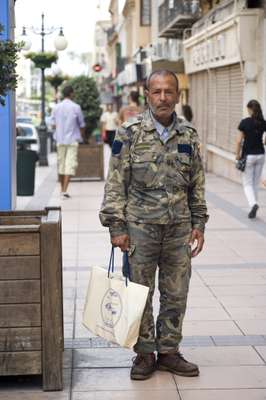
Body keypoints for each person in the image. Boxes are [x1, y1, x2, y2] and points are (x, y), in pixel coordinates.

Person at [99, 69, 208, 380]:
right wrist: (116, 226)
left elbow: (196, 184)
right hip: (139, 230)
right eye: (157, 91)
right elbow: (115, 184)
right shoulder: (128, 133)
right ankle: (145, 353)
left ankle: (170, 351)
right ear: (147, 95)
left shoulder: (188, 135)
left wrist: (199, 222)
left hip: (178, 231)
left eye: (168, 92)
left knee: (176, 293)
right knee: (140, 293)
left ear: (177, 96)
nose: (163, 97)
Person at [52, 85, 85, 199]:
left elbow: (52, 123)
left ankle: (62, 190)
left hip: (60, 139)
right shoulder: (76, 107)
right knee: (69, 164)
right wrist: (81, 135)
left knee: (61, 164)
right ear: (71, 94)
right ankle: (64, 191)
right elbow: (82, 124)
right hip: (72, 140)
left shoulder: (56, 107)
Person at [236, 99, 266, 218]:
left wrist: (237, 154)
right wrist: (263, 141)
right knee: (255, 183)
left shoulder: (245, 122)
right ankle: (254, 205)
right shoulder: (263, 122)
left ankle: (253, 204)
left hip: (248, 155)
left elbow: (238, 141)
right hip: (261, 155)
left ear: (249, 109)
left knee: (247, 184)